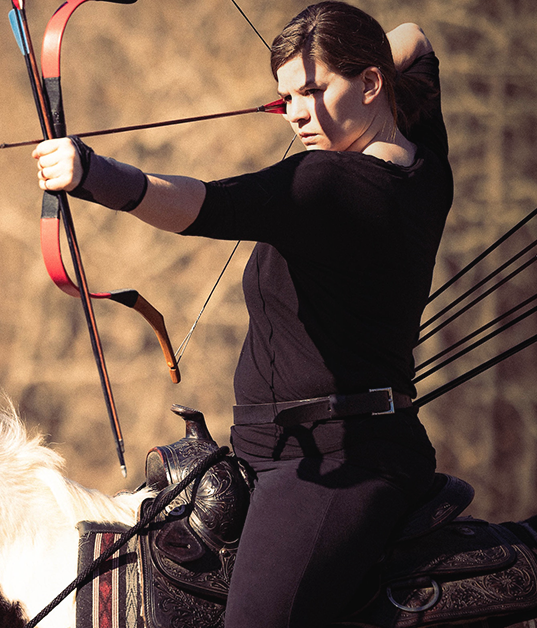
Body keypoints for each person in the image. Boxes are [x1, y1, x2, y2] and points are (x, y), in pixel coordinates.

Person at [31, 2, 452, 626]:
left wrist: (93, 174)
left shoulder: (327, 184)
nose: (298, 113)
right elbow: (415, 39)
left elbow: (200, 204)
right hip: (309, 447)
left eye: (314, 91)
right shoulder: (424, 153)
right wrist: (344, 64)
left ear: (371, 82)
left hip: (328, 466)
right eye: (286, 97)